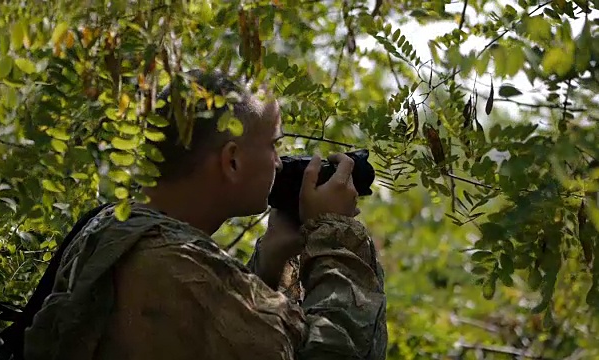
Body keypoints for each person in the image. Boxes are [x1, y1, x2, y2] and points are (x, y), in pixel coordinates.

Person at [23, 69, 387, 359]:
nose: (280, 162)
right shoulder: (174, 266)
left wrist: (271, 262)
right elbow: (332, 351)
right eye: (274, 146)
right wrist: (335, 233)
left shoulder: (113, 228)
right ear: (232, 161)